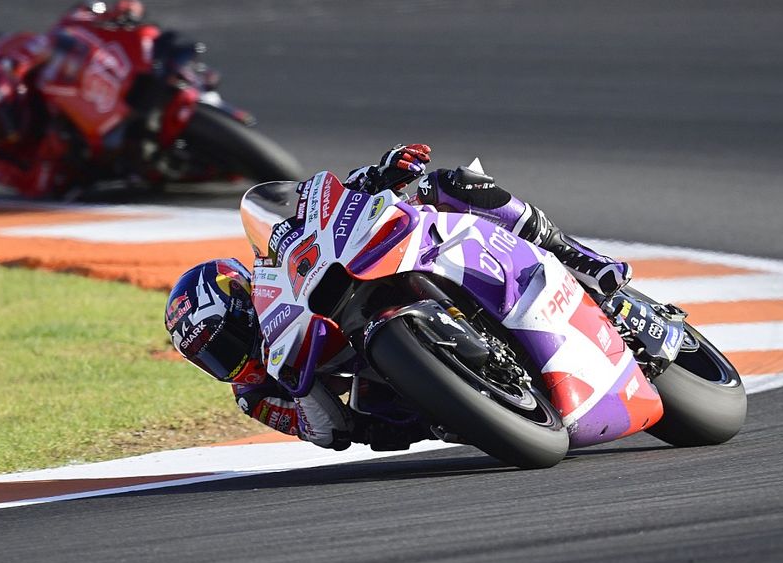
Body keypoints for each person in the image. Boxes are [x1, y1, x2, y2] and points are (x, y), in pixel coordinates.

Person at [164, 144, 632, 451]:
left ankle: (578, 257)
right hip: (391, 388)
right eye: (215, 360)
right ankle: (473, 398)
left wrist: (381, 171)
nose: (232, 362)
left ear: (245, 302)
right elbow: (324, 433)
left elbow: (323, 208)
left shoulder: (276, 275)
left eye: (226, 344)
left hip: (385, 268)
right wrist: (295, 384)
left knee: (444, 185)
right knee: (378, 415)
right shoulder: (253, 395)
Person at [0, 0, 152, 199]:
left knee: (81, 19)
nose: (3, 124)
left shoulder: (13, 58)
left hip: (63, 100)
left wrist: (103, 18)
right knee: (79, 178)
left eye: (4, 114)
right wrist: (49, 157)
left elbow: (55, 37)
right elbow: (29, 184)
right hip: (45, 151)